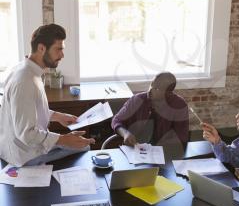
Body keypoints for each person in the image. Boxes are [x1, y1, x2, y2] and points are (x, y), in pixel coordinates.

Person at [0, 24, 95, 167]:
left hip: (23, 147)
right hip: (24, 156)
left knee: (80, 145)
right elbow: (27, 134)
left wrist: (58, 116)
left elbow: (27, 111)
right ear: (41, 48)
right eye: (59, 49)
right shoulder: (25, 81)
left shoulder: (25, 69)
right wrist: (63, 139)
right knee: (85, 147)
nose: (62, 55)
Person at [111, 72, 189, 148]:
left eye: (157, 88)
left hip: (164, 151)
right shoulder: (138, 99)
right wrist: (126, 133)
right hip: (134, 148)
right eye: (152, 84)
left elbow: (182, 136)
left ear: (168, 93)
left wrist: (158, 147)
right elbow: (117, 120)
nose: (151, 90)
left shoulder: (179, 105)